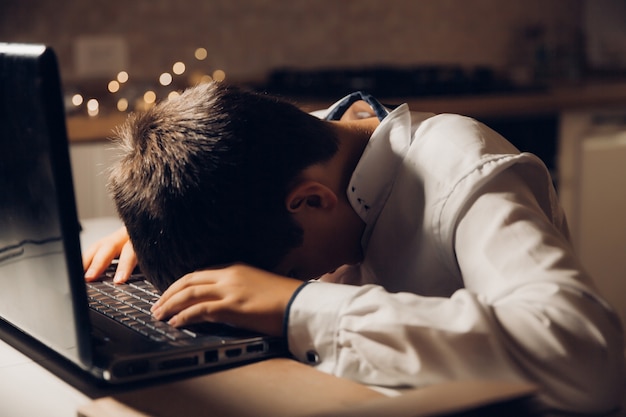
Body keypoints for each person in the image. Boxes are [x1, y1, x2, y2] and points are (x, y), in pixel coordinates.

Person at [83, 82, 625, 413]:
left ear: (314, 202)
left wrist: (295, 305)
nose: (297, 279)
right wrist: (164, 224)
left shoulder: (466, 169)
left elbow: (589, 359)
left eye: (293, 270)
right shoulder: (298, 153)